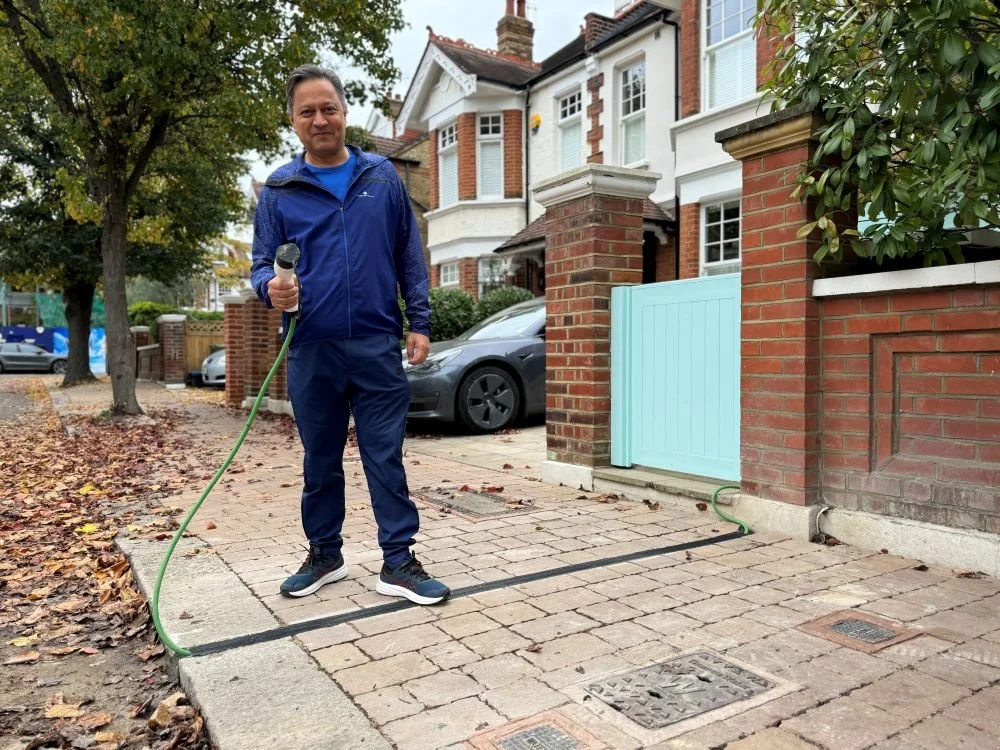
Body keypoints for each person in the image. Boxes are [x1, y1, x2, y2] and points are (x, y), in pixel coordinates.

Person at [250, 65, 449, 606]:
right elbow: (260, 265)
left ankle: (398, 561)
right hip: (311, 346)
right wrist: (273, 288)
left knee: (385, 454)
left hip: (376, 342)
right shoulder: (278, 190)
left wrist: (421, 323)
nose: (320, 119)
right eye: (308, 111)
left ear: (344, 112)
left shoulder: (382, 177)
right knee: (320, 457)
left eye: (329, 108)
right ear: (293, 121)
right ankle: (325, 553)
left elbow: (408, 254)